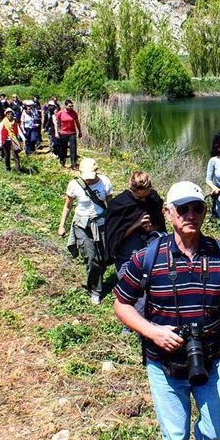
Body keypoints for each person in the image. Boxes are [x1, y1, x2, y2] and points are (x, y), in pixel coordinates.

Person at [113, 181, 220, 440]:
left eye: (197, 208)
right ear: (169, 212)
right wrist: (152, 332)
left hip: (211, 358)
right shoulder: (148, 258)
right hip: (163, 365)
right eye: (183, 208)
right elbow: (121, 304)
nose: (191, 214)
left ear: (205, 212)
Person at [58, 158, 114, 305]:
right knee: (91, 257)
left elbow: (111, 205)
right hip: (82, 225)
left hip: (101, 224)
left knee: (103, 258)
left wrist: (115, 224)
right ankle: (95, 290)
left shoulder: (105, 182)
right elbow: (68, 205)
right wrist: (62, 225)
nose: (89, 181)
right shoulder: (74, 185)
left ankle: (96, 279)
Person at [104, 171, 167, 277]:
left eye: (146, 196)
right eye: (139, 197)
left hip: (149, 245)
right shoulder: (120, 205)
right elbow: (116, 237)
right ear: (132, 190)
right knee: (128, 279)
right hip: (127, 249)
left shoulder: (152, 199)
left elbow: (160, 226)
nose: (143, 200)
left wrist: (150, 228)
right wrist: (136, 224)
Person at [55, 99, 81, 170]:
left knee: (73, 149)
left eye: (72, 106)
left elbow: (77, 122)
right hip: (63, 133)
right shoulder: (60, 113)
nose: (71, 108)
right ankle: (62, 162)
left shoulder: (74, 113)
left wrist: (80, 131)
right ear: (65, 106)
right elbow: (58, 123)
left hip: (72, 133)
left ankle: (73, 164)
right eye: (70, 106)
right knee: (63, 149)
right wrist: (58, 131)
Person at [0, 108, 25, 173]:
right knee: (7, 155)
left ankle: (18, 170)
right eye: (8, 114)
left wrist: (23, 138)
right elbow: (0, 132)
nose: (9, 115)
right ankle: (8, 168)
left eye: (11, 114)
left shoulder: (15, 122)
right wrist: (0, 141)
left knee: (16, 155)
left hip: (13, 140)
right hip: (5, 140)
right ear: (6, 115)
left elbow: (19, 130)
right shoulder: (3, 122)